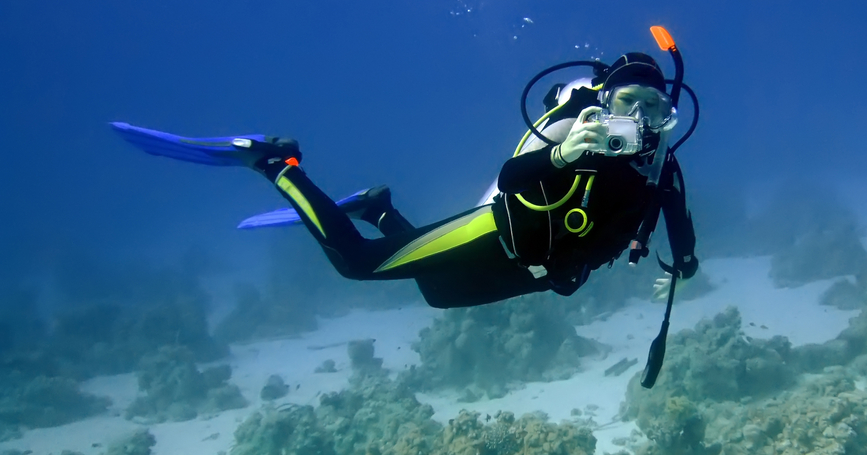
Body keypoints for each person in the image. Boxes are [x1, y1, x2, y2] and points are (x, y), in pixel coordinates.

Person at [112, 48, 699, 313]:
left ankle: (378, 206)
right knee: (357, 265)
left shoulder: (658, 161)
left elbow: (674, 212)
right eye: (630, 102)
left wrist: (685, 263)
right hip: (497, 234)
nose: (642, 119)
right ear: (607, 100)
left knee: (438, 295)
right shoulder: (578, 133)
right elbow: (513, 175)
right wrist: (564, 157)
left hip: (544, 274)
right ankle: (277, 163)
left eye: (655, 107)